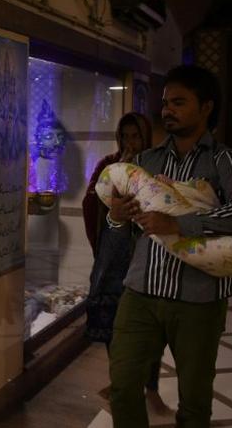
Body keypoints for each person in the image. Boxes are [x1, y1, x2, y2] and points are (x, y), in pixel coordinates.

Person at [107, 65, 232, 427]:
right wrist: (117, 215)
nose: (167, 111)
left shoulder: (227, 161)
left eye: (179, 102)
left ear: (206, 107)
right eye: (165, 103)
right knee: (123, 385)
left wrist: (180, 223)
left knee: (194, 399)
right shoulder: (146, 161)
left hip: (199, 299)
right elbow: (122, 228)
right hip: (141, 292)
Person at [82, 112, 171, 414]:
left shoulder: (155, 166)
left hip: (146, 257)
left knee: (150, 331)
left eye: (136, 136)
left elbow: (166, 203)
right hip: (113, 255)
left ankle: (151, 389)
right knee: (112, 325)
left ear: (145, 137)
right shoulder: (108, 165)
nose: (130, 142)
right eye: (125, 136)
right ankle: (119, 381)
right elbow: (90, 200)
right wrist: (115, 193)